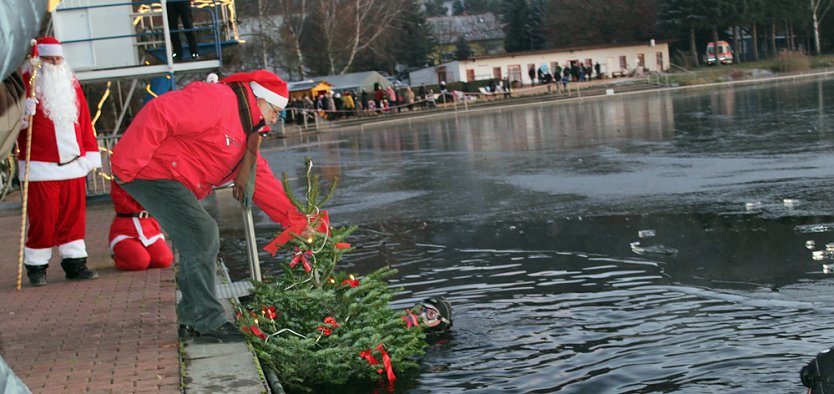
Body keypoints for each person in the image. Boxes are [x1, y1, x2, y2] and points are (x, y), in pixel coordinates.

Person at [110, 70, 319, 342]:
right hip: (150, 170)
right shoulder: (218, 100)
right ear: (260, 101)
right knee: (202, 233)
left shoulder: (248, 132)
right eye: (276, 111)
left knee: (196, 237)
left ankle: (190, 319)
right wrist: (127, 162)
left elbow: (261, 179)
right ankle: (207, 321)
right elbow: (160, 111)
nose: (275, 119)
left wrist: (297, 221)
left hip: (172, 178)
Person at [18, 36, 101, 286]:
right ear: (38, 60)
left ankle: (75, 264)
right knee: (43, 218)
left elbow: (85, 121)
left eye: (58, 58)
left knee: (73, 219)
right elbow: (9, 123)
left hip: (74, 163)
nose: (55, 63)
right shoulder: (26, 84)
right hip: (41, 167)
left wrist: (90, 152)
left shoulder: (72, 84)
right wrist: (23, 112)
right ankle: (36, 266)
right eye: (49, 58)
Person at [108, 181, 173, 271]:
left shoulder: (150, 178)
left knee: (164, 260)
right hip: (126, 231)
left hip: (149, 228)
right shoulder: (120, 180)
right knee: (140, 262)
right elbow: (125, 204)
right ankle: (118, 256)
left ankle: (141, 254)